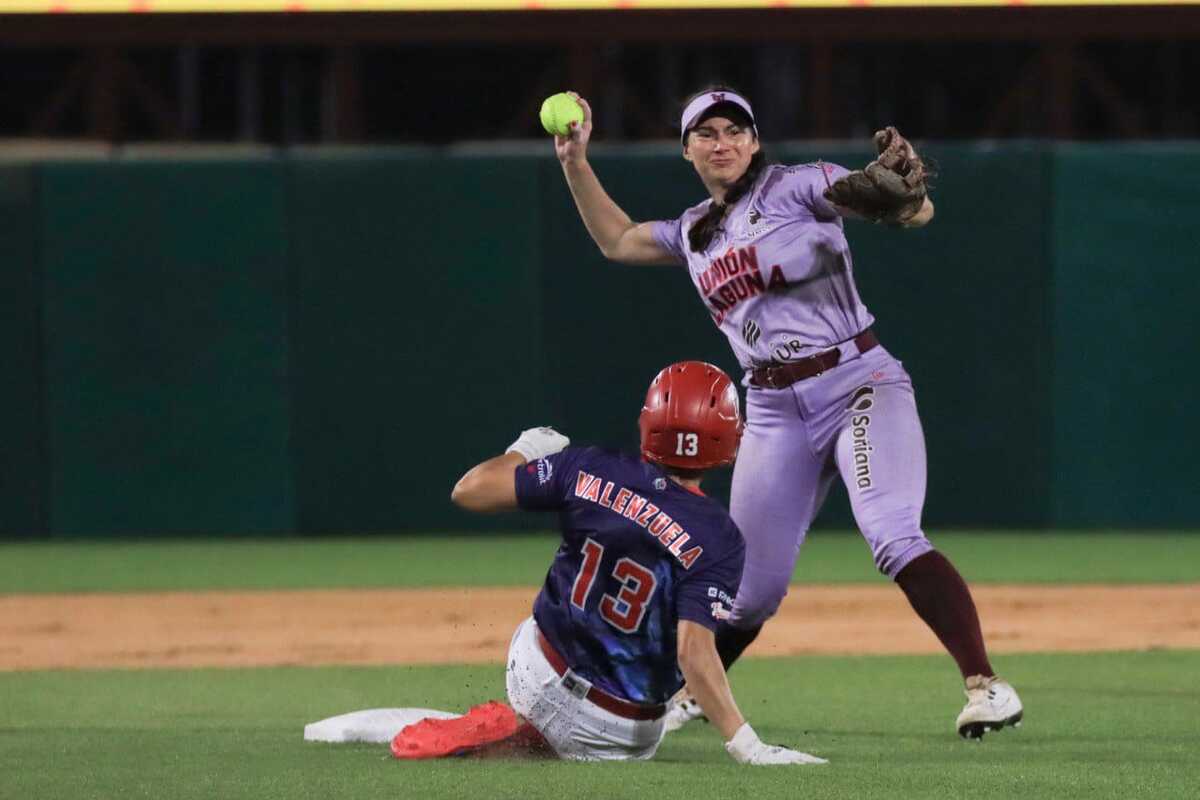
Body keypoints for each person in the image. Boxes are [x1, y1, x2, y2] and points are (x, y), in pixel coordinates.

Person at [551, 87, 1023, 740]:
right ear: (686, 149)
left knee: (891, 533)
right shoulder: (693, 231)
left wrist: (908, 199)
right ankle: (687, 693)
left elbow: (907, 210)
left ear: (754, 139)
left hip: (858, 381)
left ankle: (987, 686)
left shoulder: (799, 188)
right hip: (774, 409)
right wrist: (575, 160)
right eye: (706, 133)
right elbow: (620, 241)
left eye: (735, 130)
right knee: (747, 589)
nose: (723, 143)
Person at [391, 361, 828, 765]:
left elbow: (469, 490)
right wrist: (747, 746)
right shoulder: (719, 537)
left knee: (554, 606)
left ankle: (529, 729)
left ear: (648, 422)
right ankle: (534, 741)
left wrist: (526, 450)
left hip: (534, 676)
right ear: (729, 441)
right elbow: (694, 652)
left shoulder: (587, 467)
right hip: (618, 732)